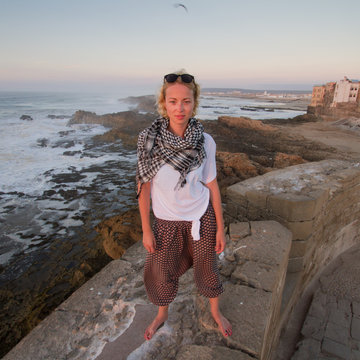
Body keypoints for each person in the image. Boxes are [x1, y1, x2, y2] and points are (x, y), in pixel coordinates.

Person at [136, 71, 232, 341]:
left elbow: (212, 186)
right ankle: (162, 314)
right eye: (173, 101)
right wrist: (146, 230)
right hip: (165, 222)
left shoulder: (206, 142)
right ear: (163, 103)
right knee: (161, 272)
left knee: (207, 268)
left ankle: (215, 311)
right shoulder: (149, 141)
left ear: (194, 103)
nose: (179, 108)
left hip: (201, 219)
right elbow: (143, 190)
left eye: (186, 101)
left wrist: (221, 229)